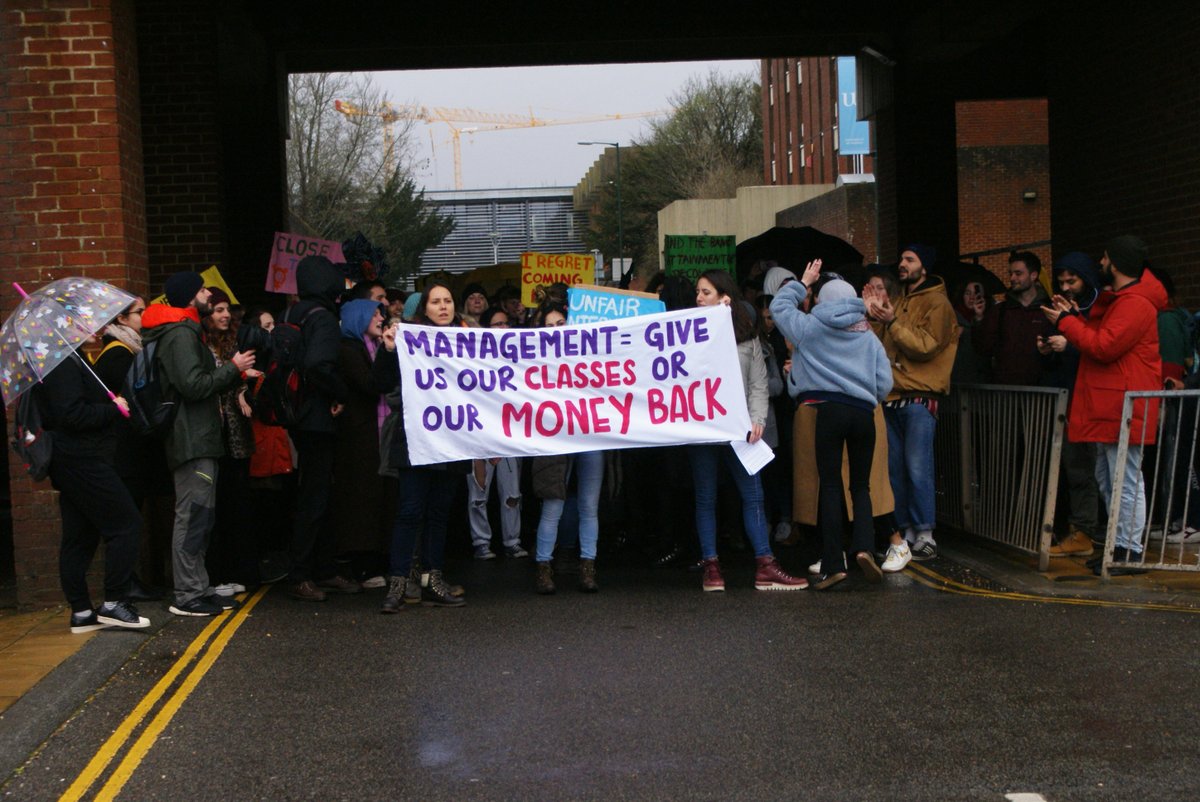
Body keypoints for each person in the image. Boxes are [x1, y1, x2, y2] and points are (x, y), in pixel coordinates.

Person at [1042, 236, 1166, 575]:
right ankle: (1118, 545)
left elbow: (1103, 346)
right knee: (1108, 476)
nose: (1101, 263)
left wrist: (1065, 323)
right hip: (1116, 402)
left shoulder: (1135, 303)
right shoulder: (1125, 299)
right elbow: (1101, 340)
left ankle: (1130, 549)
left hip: (1126, 403)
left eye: (1106, 258)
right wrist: (1071, 318)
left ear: (1118, 264)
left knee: (1124, 480)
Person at [772, 260, 893, 589]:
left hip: (828, 412)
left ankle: (832, 562)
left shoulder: (809, 328)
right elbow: (885, 382)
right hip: (862, 414)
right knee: (861, 486)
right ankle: (865, 548)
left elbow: (778, 306)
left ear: (822, 301)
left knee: (829, 485)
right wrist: (867, 395)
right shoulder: (868, 336)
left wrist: (803, 281)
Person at [141, 271, 255, 617]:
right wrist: (232, 368)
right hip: (191, 439)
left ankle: (199, 587)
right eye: (203, 289)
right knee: (191, 518)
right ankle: (187, 595)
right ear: (191, 296)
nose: (208, 292)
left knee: (201, 518)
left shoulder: (189, 330)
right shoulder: (179, 335)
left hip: (201, 438)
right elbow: (192, 385)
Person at [690, 269, 807, 592]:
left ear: (724, 296)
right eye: (697, 293)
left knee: (753, 495)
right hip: (703, 429)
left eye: (705, 292)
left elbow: (758, 383)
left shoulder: (746, 337)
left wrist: (758, 420)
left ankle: (765, 565)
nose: (699, 298)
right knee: (706, 497)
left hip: (740, 429)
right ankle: (711, 567)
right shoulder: (686, 334)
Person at [37, 338, 149, 632]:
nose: (95, 330)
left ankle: (82, 613)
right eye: (83, 323)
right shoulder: (61, 363)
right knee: (127, 524)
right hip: (81, 459)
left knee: (80, 534)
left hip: (77, 459)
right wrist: (113, 409)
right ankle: (114, 602)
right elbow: (71, 414)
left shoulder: (71, 358)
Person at [375, 282, 468, 612]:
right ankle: (398, 583)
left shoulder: (470, 339)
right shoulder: (408, 340)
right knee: (410, 511)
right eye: (436, 302)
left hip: (454, 440)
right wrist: (388, 349)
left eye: (448, 301)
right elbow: (382, 383)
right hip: (416, 440)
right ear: (424, 309)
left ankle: (432, 580)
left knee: (439, 514)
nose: (443, 306)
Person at [863, 243, 958, 562]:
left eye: (910, 259)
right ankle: (903, 533)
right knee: (895, 470)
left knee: (918, 468)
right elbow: (880, 347)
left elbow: (925, 347)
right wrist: (873, 316)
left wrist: (890, 322)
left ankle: (926, 533)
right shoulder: (899, 300)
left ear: (924, 267)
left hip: (919, 396)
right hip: (891, 396)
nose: (901, 264)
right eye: (901, 258)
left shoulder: (938, 304)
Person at [282, 255, 362, 601]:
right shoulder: (325, 318)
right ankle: (303, 574)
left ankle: (324, 568)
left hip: (293, 414)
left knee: (317, 496)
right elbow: (318, 365)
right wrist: (340, 393)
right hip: (317, 418)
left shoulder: (291, 313)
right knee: (316, 499)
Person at [92, 296, 169, 598]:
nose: (144, 317)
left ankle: (130, 581)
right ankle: (124, 584)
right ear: (122, 320)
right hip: (125, 454)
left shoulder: (128, 351)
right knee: (127, 519)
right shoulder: (117, 356)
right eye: (140, 312)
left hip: (131, 453)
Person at [530, 299, 603, 595]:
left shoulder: (592, 354)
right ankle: (543, 569)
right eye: (549, 327)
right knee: (553, 505)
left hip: (590, 434)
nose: (556, 331)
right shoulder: (534, 361)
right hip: (555, 438)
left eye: (561, 324)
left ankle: (587, 568)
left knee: (589, 506)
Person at [1040, 253, 1103, 557]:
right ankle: (1078, 529)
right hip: (1068, 393)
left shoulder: (1098, 307)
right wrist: (1048, 348)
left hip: (1091, 397)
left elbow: (1101, 347)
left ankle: (1087, 532)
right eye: (1062, 280)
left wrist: (1070, 344)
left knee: (1085, 468)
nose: (1065, 286)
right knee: (1072, 467)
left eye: (1072, 280)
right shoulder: (1063, 305)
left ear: (1086, 278)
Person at [200, 287, 257, 596]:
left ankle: (239, 571)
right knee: (216, 507)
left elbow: (240, 381)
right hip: (215, 435)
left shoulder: (235, 342)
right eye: (218, 310)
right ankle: (217, 575)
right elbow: (207, 384)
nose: (224, 315)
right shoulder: (200, 344)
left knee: (237, 505)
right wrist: (234, 372)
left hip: (237, 435)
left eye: (226, 310)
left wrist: (246, 387)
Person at [333, 299, 393, 585]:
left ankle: (378, 559)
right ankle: (363, 564)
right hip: (359, 436)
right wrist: (386, 351)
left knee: (379, 498)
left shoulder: (371, 347)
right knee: (362, 501)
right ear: (359, 317)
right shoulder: (349, 350)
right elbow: (372, 385)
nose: (381, 317)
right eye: (375, 313)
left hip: (377, 435)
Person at [973, 251, 1055, 386]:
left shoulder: (1050, 310)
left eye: (1018, 273)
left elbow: (1059, 356)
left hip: (1041, 394)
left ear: (1033, 275)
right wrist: (979, 319)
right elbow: (983, 348)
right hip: (1005, 392)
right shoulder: (1000, 311)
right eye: (1010, 273)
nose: (1012, 278)